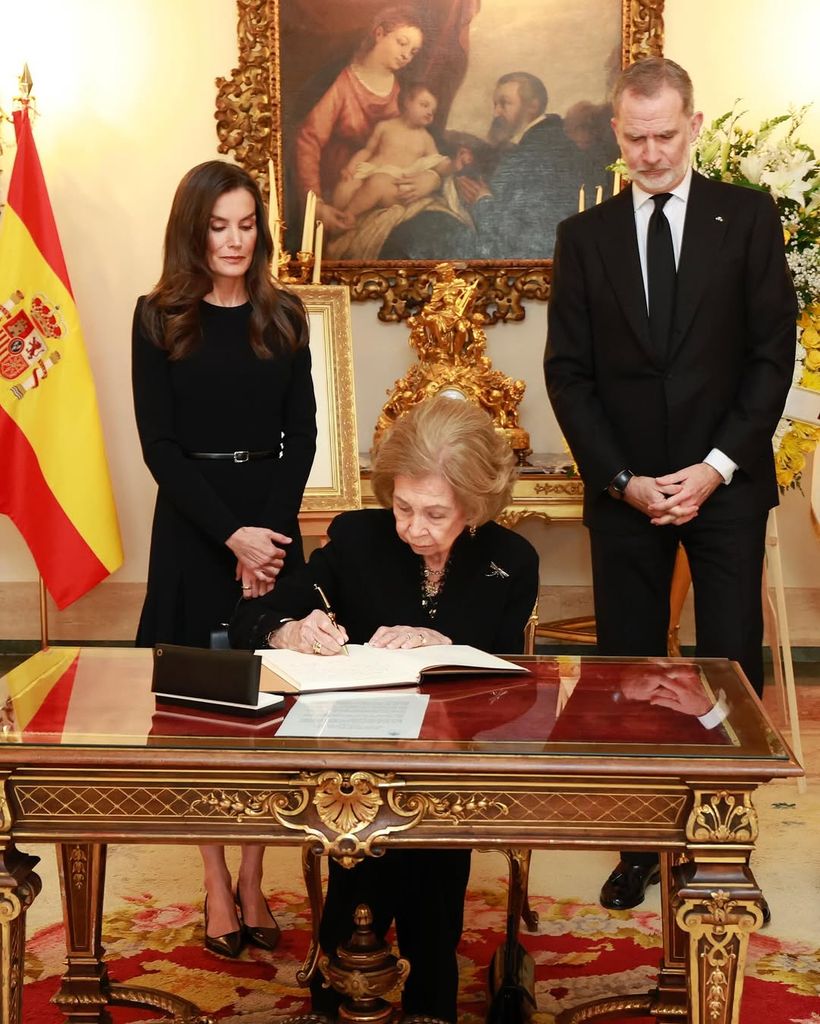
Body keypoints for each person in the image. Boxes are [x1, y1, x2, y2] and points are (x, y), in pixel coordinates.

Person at [544, 57, 797, 913]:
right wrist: (621, 479)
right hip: (628, 497)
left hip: (724, 486)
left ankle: (721, 844)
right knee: (626, 673)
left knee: (730, 669)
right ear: (615, 133)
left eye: (664, 135)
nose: (649, 153)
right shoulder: (586, 237)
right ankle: (639, 843)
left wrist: (715, 467)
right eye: (633, 137)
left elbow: (771, 359)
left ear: (694, 125)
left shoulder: (751, 219)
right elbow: (568, 375)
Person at [230, 395, 539, 1022]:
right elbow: (253, 616)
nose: (414, 528)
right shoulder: (355, 538)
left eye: (435, 514)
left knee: (431, 885)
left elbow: (518, 685)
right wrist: (290, 629)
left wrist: (450, 646)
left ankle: (431, 986)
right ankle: (341, 980)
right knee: (359, 861)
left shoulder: (511, 561)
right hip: (355, 757)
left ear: (475, 506)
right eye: (403, 507)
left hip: (451, 761)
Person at [132, 160, 317, 957]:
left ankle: (253, 874)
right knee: (198, 717)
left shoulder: (284, 316)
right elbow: (159, 448)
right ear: (194, 230)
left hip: (270, 533)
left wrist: (267, 545)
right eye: (219, 225)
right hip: (192, 532)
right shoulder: (157, 317)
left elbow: (301, 436)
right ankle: (214, 879)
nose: (235, 239)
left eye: (246, 224)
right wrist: (231, 538)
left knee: (272, 713)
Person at [383, 71, 582, 259]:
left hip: (517, 255)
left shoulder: (544, 150)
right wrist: (463, 169)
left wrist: (483, 201)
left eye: (504, 104)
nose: (496, 112)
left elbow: (529, 238)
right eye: (495, 104)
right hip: (501, 239)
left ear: (532, 106)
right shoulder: (533, 140)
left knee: (414, 232)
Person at [294, 6, 434, 237]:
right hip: (337, 190)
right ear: (379, 34)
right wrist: (316, 205)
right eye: (401, 42)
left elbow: (422, 142)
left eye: (413, 51)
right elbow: (308, 140)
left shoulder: (406, 92)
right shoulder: (341, 82)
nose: (406, 55)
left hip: (383, 188)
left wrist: (431, 178)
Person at [332, 83, 450, 219]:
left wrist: (452, 166)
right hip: (370, 172)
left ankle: (348, 216)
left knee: (377, 183)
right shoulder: (385, 126)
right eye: (424, 105)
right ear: (407, 102)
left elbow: (437, 161)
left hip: (392, 184)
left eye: (433, 112)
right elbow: (367, 151)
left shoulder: (425, 138)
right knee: (343, 190)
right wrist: (350, 168)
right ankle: (333, 221)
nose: (430, 113)